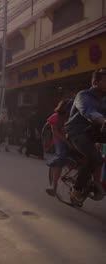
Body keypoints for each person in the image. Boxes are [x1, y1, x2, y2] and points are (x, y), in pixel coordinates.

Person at [65, 69, 106, 205]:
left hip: (94, 132)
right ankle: (76, 190)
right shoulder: (83, 96)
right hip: (77, 132)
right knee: (95, 158)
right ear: (95, 82)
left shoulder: (104, 99)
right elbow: (89, 112)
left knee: (98, 159)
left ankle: (97, 180)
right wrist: (103, 121)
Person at [46, 99, 72, 196]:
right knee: (61, 158)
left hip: (71, 139)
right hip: (59, 140)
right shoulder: (56, 117)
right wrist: (67, 142)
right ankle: (54, 186)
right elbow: (55, 132)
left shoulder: (74, 116)